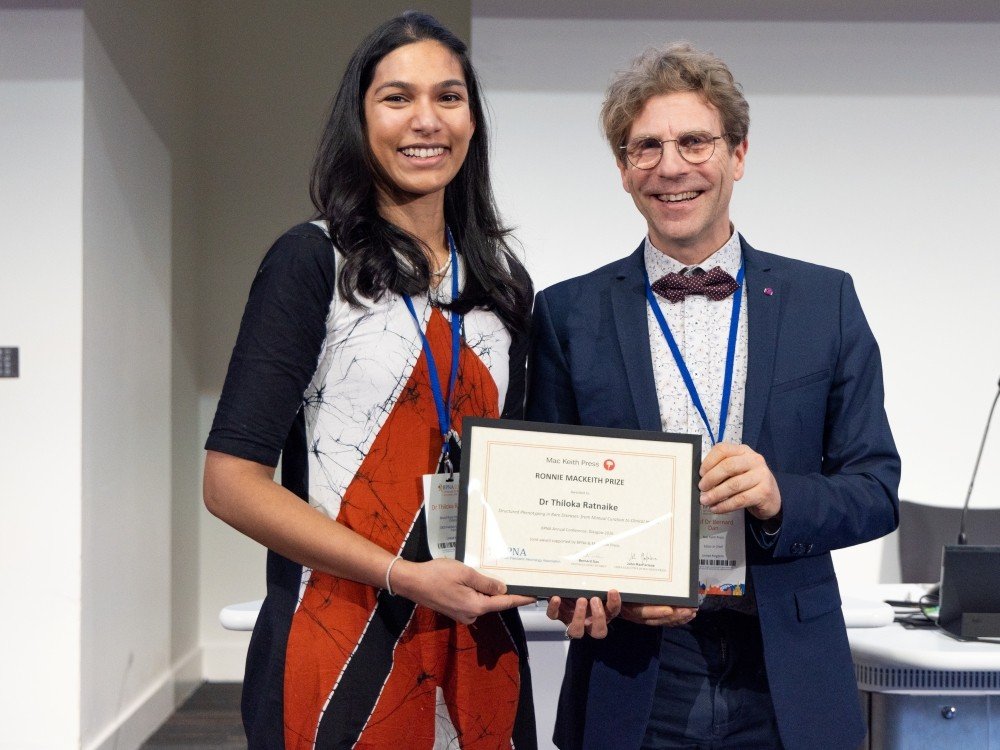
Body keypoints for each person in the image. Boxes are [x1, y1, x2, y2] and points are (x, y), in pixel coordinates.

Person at [526, 43, 900, 750]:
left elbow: (876, 487)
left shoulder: (826, 301)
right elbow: (552, 522)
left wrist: (778, 495)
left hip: (786, 667)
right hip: (635, 671)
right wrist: (587, 589)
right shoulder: (566, 314)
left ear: (738, 153)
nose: (671, 166)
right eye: (646, 148)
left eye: (695, 141)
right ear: (622, 169)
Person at [203, 12, 537, 749]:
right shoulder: (311, 262)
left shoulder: (505, 283)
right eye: (396, 98)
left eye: (449, 97)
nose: (426, 120)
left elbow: (524, 482)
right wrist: (406, 576)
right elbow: (230, 481)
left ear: (473, 121)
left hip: (479, 649)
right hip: (338, 633)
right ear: (360, 119)